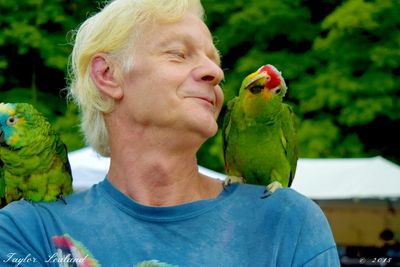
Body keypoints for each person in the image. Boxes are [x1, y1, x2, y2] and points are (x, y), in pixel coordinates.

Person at [0, 0, 340, 266]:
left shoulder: (286, 222)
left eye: (213, 59)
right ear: (108, 75)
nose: (216, 72)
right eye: (179, 54)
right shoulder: (28, 232)